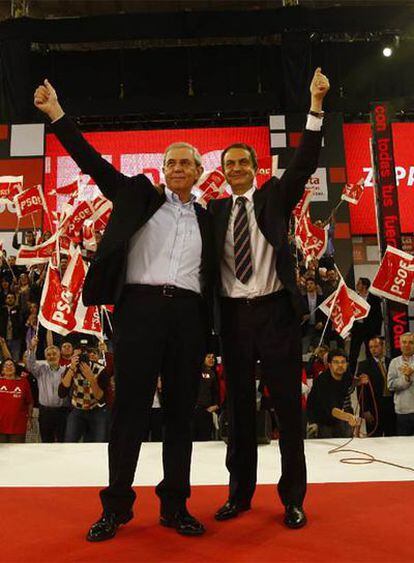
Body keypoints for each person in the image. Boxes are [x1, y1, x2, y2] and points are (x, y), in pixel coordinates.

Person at [34, 78, 215, 540]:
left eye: (185, 162)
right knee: (128, 413)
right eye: (170, 161)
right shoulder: (137, 194)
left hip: (189, 318)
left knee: (180, 414)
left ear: (198, 171)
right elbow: (91, 162)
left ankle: (175, 506)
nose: (177, 168)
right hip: (139, 311)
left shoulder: (209, 218)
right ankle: (116, 507)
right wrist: (57, 113)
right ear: (162, 168)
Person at [208, 68, 329, 529]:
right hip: (234, 320)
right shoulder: (213, 212)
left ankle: (293, 499)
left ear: (255, 169)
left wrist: (315, 107)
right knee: (239, 415)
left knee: (287, 411)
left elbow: (303, 162)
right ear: (222, 172)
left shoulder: (274, 198)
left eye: (243, 163)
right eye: (229, 164)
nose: (236, 169)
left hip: (276, 314)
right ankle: (239, 496)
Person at [58, 349, 110, 443]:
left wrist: (91, 378)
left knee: (99, 443)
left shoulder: (101, 369)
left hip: (96, 409)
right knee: (69, 442)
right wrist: (71, 370)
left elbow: (101, 399)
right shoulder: (70, 368)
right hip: (77, 409)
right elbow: (61, 393)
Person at [26, 336, 69, 443]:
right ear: (45, 357)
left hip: (62, 412)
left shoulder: (66, 371)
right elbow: (30, 365)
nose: (52, 356)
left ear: (59, 355)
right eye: (49, 355)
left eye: (54, 354)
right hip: (45, 412)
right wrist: (32, 348)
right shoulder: (41, 370)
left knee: (62, 442)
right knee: (46, 442)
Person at [307, 349, 358, 438]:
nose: (340, 365)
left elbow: (349, 388)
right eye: (336, 362)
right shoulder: (322, 381)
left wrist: (359, 381)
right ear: (329, 365)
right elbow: (331, 409)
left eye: (343, 362)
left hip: (342, 416)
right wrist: (349, 417)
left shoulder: (346, 375)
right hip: (323, 419)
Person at [356, 336, 395, 437]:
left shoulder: (392, 362)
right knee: (374, 440)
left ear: (383, 346)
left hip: (391, 407)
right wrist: (365, 410)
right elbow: (360, 389)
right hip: (373, 409)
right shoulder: (364, 365)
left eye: (376, 346)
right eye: (371, 347)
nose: (373, 349)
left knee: (392, 438)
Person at [349, 277, 382, 374]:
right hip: (357, 329)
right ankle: (351, 375)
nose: (357, 285)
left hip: (369, 330)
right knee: (353, 354)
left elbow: (378, 317)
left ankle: (372, 374)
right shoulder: (354, 298)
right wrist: (350, 329)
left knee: (370, 353)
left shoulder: (375, 299)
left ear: (364, 286)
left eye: (359, 284)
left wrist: (377, 333)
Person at [0, 358, 33, 442]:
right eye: (6, 365)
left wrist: (29, 419)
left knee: (17, 453)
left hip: (18, 425)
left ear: (15, 368)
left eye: (11, 365)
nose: (9, 367)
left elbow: (30, 402)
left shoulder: (23, 382)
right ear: (2, 370)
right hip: (1, 424)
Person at [387, 332, 414, 436]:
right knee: (403, 446)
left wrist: (411, 375)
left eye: (411, 342)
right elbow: (390, 385)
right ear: (400, 344)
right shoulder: (394, 362)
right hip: (402, 412)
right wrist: (406, 378)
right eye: (404, 342)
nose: (407, 345)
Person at [193, 353, 220, 441]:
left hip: (206, 411)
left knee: (205, 439)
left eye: (213, 357)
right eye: (208, 357)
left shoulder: (214, 373)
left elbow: (216, 392)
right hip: (194, 410)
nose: (211, 359)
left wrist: (216, 405)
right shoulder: (197, 371)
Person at [301, 278, 324, 354]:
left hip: (318, 327)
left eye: (311, 283)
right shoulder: (302, 298)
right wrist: (302, 317)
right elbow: (298, 312)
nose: (309, 286)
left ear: (315, 285)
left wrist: (321, 322)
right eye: (307, 284)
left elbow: (324, 312)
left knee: (320, 351)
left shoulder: (320, 298)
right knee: (304, 350)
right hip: (307, 328)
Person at [0, 292, 22, 361]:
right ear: (5, 299)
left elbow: (21, 324)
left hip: (16, 339)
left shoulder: (18, 310)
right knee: (3, 361)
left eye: (12, 298)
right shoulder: (2, 310)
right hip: (3, 340)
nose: (10, 299)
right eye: (8, 298)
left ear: (15, 300)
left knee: (15, 360)